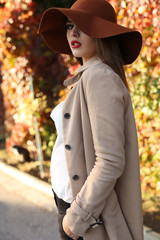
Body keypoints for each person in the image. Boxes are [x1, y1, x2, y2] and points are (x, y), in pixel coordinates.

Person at [38, 0, 144, 239]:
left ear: (102, 34)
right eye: (68, 25)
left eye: (83, 26)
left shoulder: (99, 78)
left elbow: (110, 161)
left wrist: (76, 218)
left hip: (86, 217)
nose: (73, 32)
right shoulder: (90, 76)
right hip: (76, 209)